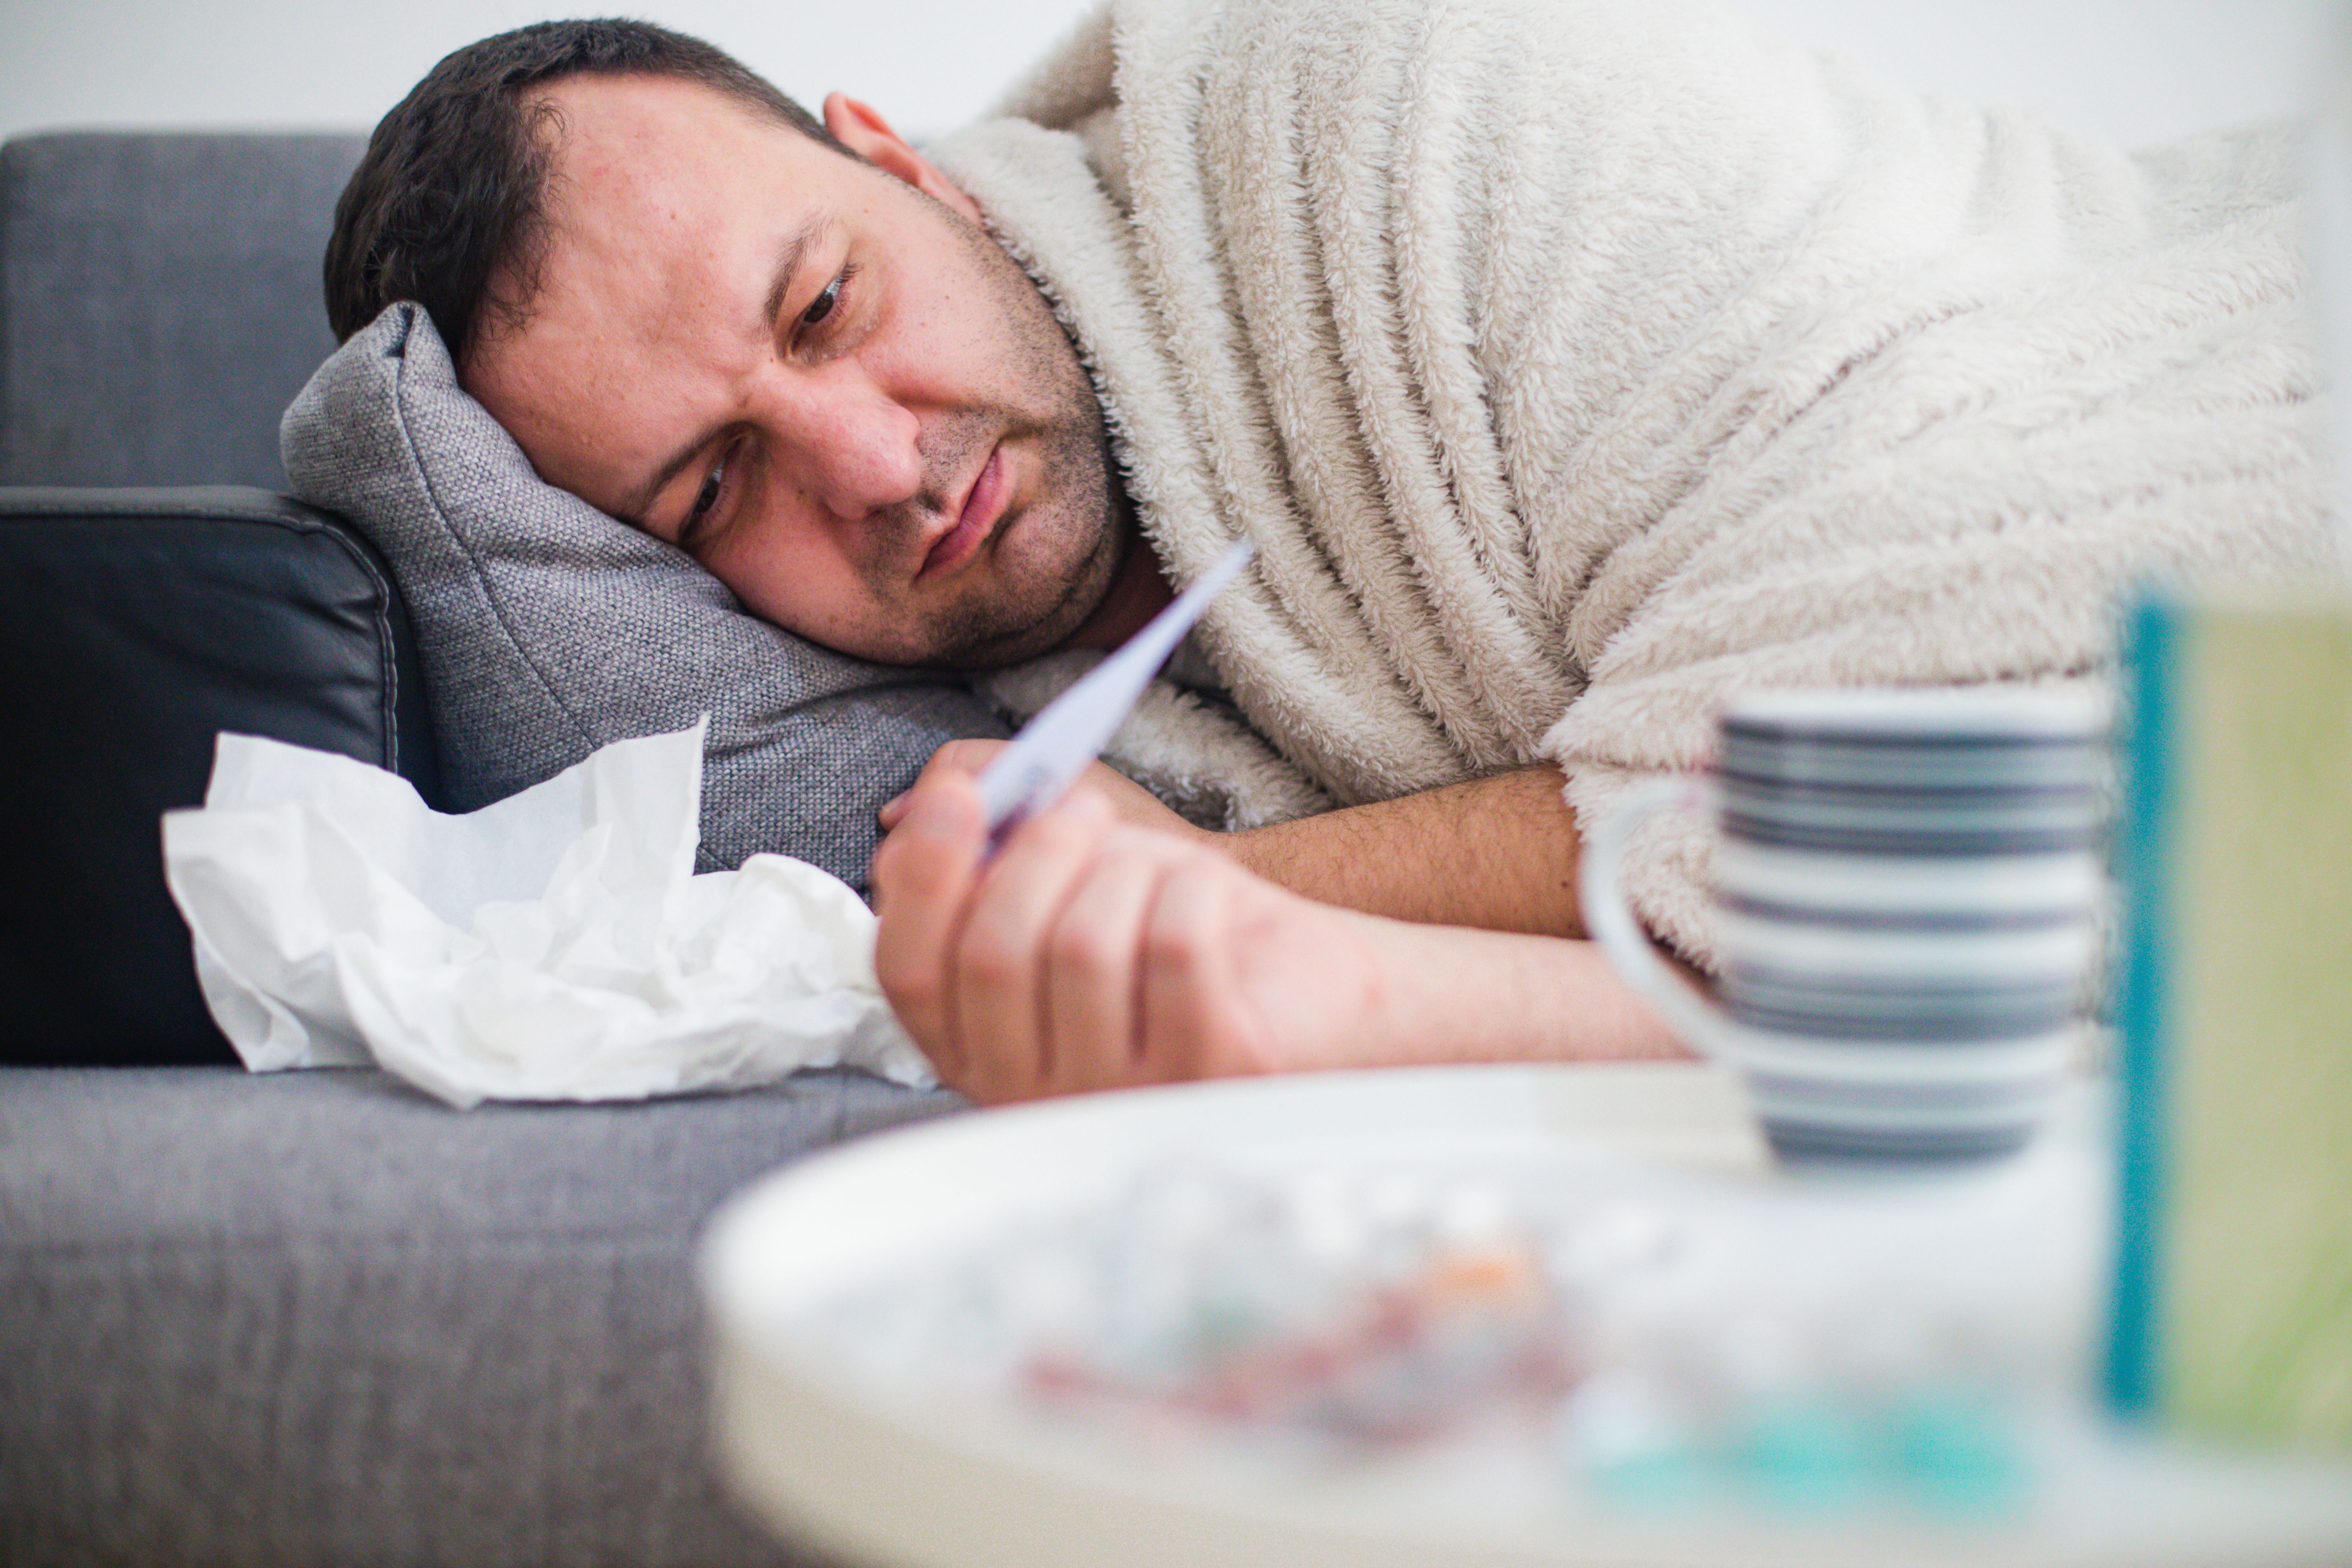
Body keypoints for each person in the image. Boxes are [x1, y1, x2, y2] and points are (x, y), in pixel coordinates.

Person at [323, 1, 2328, 1103]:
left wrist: (1250, 899)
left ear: (897, 154)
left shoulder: (1399, 91)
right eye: (711, 495)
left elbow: (1986, 712)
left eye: (830, 303)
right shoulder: (981, 729)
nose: (867, 467)